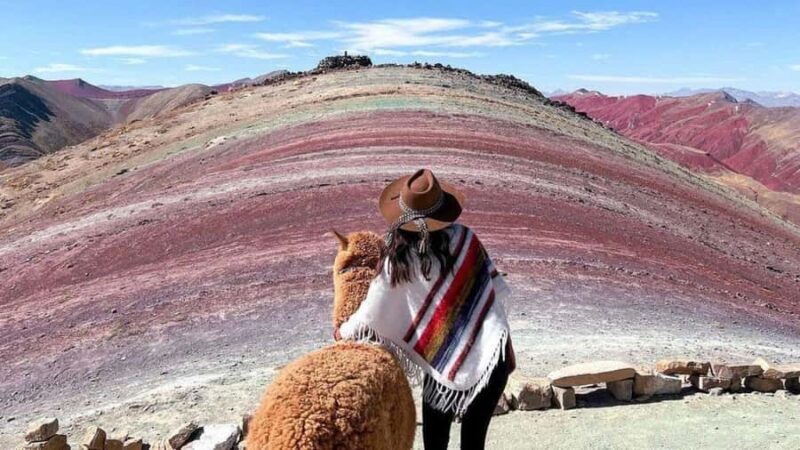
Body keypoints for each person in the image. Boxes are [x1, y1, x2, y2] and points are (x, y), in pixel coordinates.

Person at [338, 168, 515, 450]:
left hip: (439, 367)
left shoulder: (396, 259)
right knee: (474, 442)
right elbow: (491, 304)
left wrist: (344, 330)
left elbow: (370, 314)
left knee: (434, 442)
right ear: (441, 209)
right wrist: (506, 351)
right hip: (490, 360)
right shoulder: (465, 240)